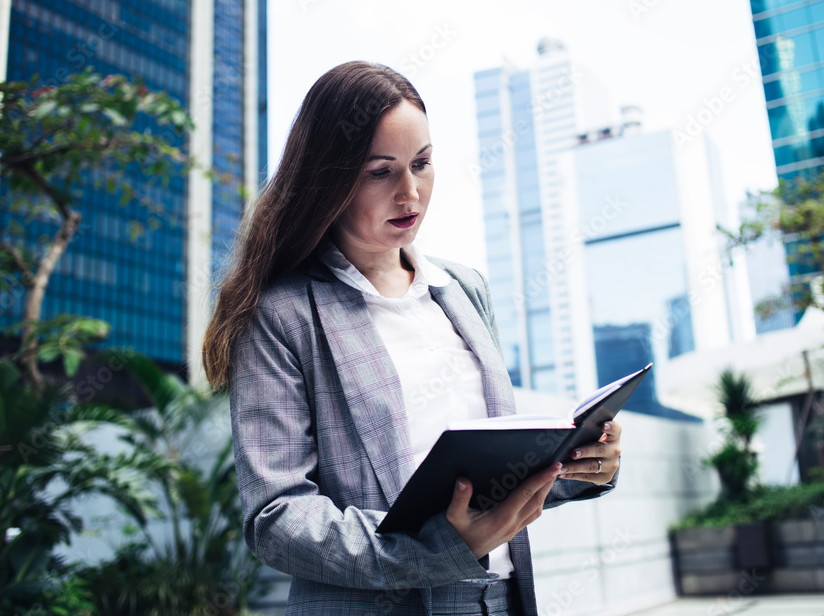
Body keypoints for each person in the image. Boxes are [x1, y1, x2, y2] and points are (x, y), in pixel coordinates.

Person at [203, 61, 622, 616]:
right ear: (329, 179)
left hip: (500, 600)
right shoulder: (282, 315)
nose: (411, 192)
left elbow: (486, 482)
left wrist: (578, 467)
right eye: (381, 172)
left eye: (422, 164)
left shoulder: (463, 289)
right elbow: (277, 517)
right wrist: (437, 550)